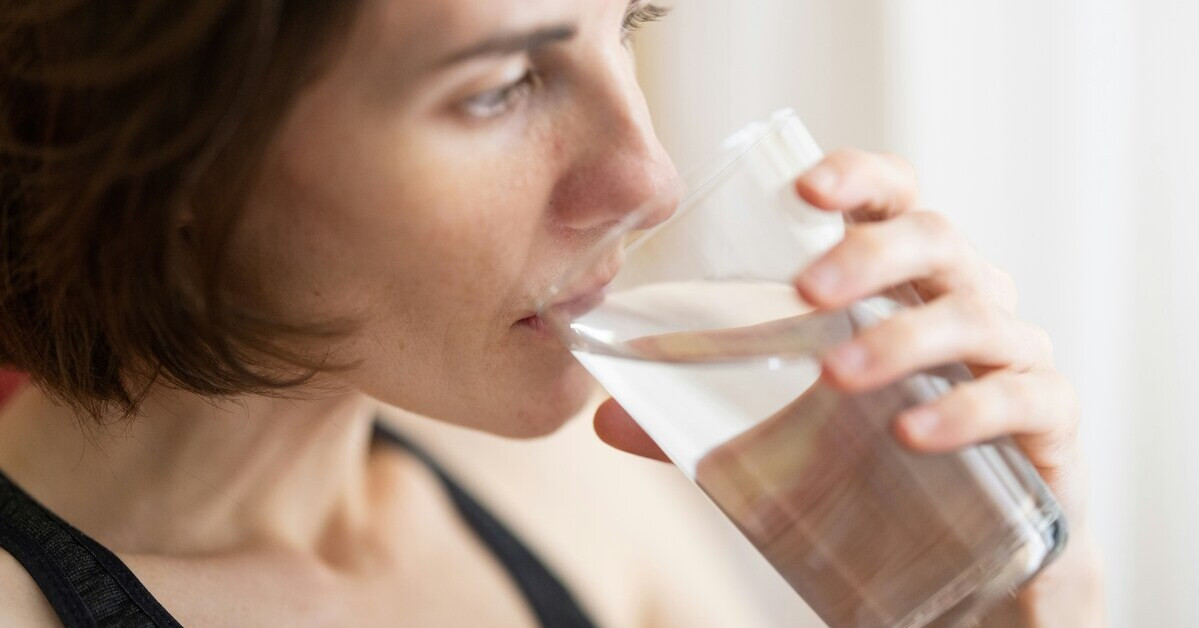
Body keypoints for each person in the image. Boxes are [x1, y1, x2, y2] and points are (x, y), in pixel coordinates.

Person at [0, 0, 1104, 625]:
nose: (649, 178)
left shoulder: (569, 490)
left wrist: (1013, 602)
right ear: (169, 152)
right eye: (497, 88)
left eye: (627, 21)